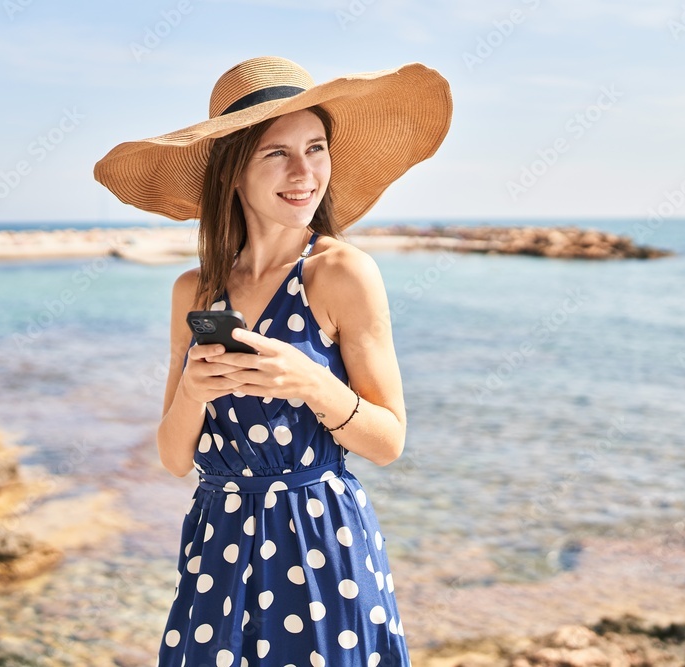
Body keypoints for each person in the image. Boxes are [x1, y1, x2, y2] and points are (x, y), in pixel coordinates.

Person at [94, 55, 451, 667]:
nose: (303, 171)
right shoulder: (196, 291)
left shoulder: (342, 273)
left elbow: (388, 441)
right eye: (276, 153)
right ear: (233, 173)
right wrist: (192, 392)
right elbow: (175, 458)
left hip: (321, 543)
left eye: (315, 148)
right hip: (217, 543)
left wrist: (312, 383)